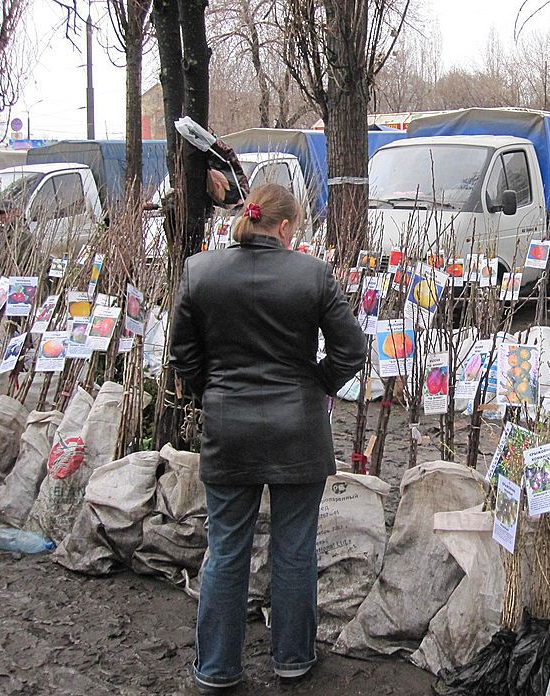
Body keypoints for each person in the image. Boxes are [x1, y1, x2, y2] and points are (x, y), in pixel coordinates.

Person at [169, 183, 366, 693]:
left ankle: (216, 668)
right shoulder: (313, 275)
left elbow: (181, 356)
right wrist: (313, 384)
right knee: (295, 550)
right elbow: (352, 350)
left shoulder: (200, 271)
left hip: (228, 431)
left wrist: (214, 392)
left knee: (226, 550)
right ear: (283, 228)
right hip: (297, 433)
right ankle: (294, 662)